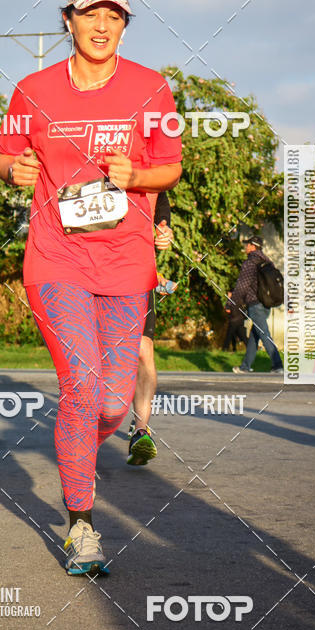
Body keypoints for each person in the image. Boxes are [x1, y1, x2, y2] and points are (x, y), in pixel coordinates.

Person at [0, 0, 182, 575]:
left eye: (114, 16)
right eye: (89, 14)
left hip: (127, 261)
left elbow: (170, 169)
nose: (101, 26)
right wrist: (13, 170)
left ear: (124, 25)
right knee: (80, 382)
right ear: (68, 21)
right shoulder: (33, 88)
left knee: (109, 404)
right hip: (57, 259)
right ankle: (81, 523)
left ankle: (76, 448)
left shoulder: (153, 91)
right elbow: (4, 153)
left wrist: (136, 177)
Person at [127, 191, 174, 466]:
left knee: (144, 352)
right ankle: (88, 432)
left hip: (139, 272)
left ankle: (141, 431)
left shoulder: (152, 168)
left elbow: (161, 202)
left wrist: (163, 227)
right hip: (94, 272)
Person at [231, 235, 283, 374]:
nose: (246, 247)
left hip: (255, 304)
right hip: (266, 304)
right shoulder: (267, 261)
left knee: (264, 334)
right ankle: (245, 366)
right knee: (255, 335)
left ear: (253, 246)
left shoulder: (250, 263)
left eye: (247, 244)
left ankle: (278, 365)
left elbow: (242, 286)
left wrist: (231, 303)